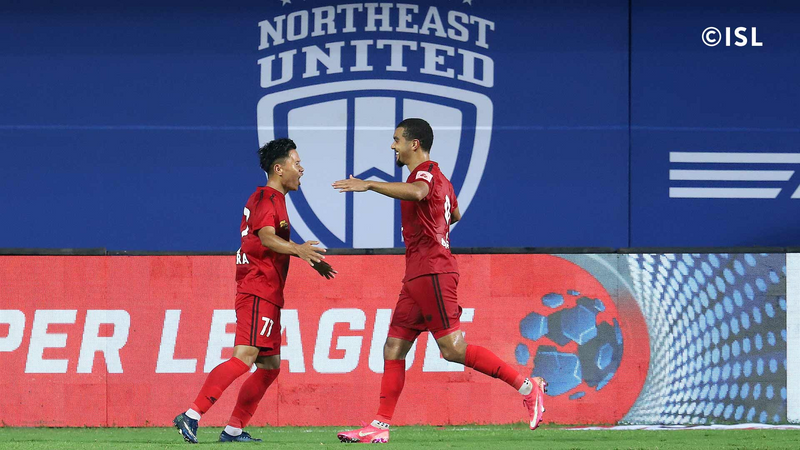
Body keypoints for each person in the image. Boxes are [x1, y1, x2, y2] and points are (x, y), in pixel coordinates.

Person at [332, 119, 547, 443]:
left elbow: (419, 193)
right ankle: (379, 425)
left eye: (397, 140)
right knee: (393, 347)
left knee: (453, 349)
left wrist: (370, 185)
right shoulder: (441, 179)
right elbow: (454, 214)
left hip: (432, 271)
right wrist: (434, 225)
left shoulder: (425, 174)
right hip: (418, 273)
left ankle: (528, 388)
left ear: (414, 144)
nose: (393, 146)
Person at [174, 138, 336, 444]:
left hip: (269, 291)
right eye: (296, 163)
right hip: (258, 287)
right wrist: (299, 250)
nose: (301, 169)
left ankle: (234, 429)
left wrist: (308, 258)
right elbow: (266, 238)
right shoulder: (267, 198)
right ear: (279, 168)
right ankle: (191, 415)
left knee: (269, 366)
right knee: (244, 357)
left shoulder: (275, 199)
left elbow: (272, 242)